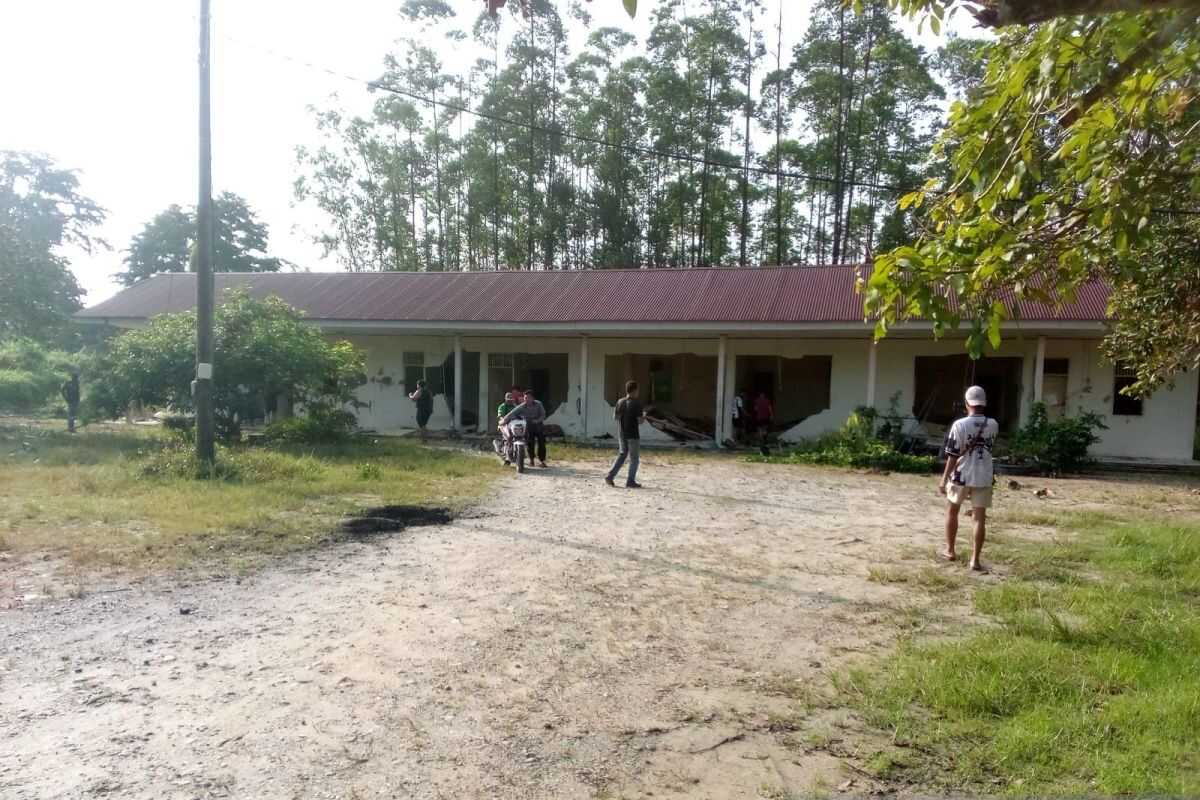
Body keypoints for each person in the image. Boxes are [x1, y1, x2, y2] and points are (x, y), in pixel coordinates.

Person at [938, 385, 1000, 572]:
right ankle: (975, 560)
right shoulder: (993, 424)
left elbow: (953, 455)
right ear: (984, 403)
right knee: (979, 518)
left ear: (967, 403)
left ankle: (950, 550)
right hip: (984, 475)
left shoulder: (959, 425)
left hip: (962, 475)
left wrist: (944, 478)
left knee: (952, 511)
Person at [605, 380, 644, 488]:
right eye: (638, 390)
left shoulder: (620, 401)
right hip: (633, 435)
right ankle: (630, 481)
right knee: (634, 459)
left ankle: (610, 476)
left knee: (622, 455)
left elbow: (615, 417)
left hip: (622, 433)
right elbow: (640, 421)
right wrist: (643, 416)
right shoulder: (637, 403)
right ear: (635, 390)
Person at [501, 388, 548, 467]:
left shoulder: (538, 404)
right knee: (530, 443)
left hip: (538, 425)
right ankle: (531, 460)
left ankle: (542, 461)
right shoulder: (522, 406)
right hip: (528, 426)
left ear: (532, 398)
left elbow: (543, 415)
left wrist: (536, 421)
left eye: (528, 398)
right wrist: (503, 420)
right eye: (525, 398)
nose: (526, 399)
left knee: (541, 443)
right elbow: (512, 413)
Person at [496, 391, 518, 464]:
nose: (510, 401)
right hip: (504, 424)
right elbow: (500, 415)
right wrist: (502, 418)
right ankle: (507, 458)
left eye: (511, 399)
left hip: (513, 424)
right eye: (508, 399)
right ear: (505, 399)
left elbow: (519, 413)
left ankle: (519, 452)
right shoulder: (502, 406)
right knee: (508, 438)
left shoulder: (515, 406)